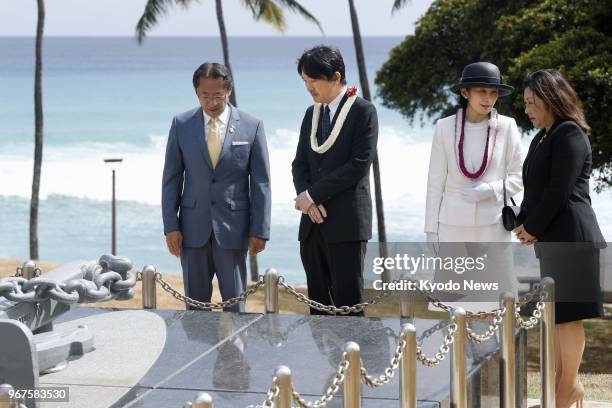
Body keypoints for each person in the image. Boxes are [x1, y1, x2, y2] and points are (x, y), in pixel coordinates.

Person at [515, 69, 605, 408]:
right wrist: (523, 221)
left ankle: (568, 389)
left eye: (531, 102)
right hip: (553, 241)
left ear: (550, 99)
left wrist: (534, 226)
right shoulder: (543, 137)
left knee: (569, 318)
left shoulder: (570, 133)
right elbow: (536, 188)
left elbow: (559, 190)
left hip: (573, 239)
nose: (527, 110)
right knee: (555, 317)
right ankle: (560, 387)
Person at [162, 62, 271, 313]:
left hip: (233, 229)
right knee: (196, 310)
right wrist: (171, 226)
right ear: (197, 93)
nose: (211, 102)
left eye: (217, 96)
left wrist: (260, 229)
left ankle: (234, 353)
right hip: (191, 229)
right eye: (205, 96)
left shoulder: (251, 125)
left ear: (229, 90)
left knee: (235, 308)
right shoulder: (181, 124)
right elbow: (171, 179)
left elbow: (261, 182)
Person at [424, 62, 523, 309]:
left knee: (496, 305)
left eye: (493, 93)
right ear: (465, 92)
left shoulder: (508, 126)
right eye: (482, 91)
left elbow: (519, 177)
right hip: (452, 227)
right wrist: (431, 229)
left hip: (493, 228)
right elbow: (435, 182)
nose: (488, 99)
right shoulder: (444, 127)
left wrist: (489, 190)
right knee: (455, 306)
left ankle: (498, 349)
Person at [291, 45, 378, 316]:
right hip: (312, 225)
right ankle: (320, 361)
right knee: (318, 306)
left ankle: (354, 358)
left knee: (348, 306)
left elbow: (358, 166)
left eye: (313, 80)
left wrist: (313, 195)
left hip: (346, 224)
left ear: (336, 76)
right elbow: (299, 164)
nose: (309, 87)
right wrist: (307, 202)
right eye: (305, 81)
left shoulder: (363, 111)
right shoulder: (311, 113)